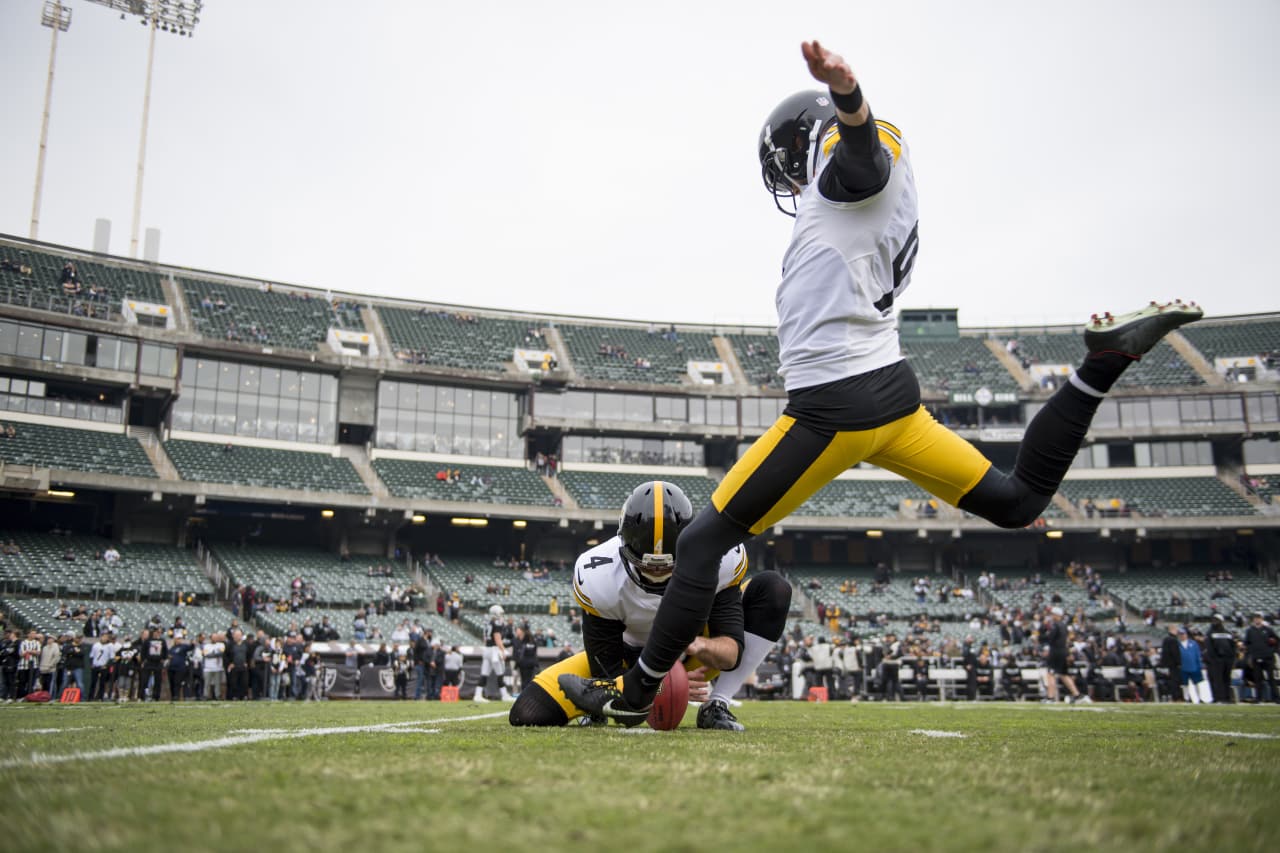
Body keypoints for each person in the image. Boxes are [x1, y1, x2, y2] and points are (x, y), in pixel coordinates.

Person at [558, 39, 1204, 721]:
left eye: (787, 169)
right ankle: (1099, 369)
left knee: (700, 541)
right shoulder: (879, 184)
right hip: (892, 396)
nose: (789, 186)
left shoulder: (851, 163)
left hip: (830, 406)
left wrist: (848, 95)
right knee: (1017, 500)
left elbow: (860, 164)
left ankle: (633, 696)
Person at [512, 481, 790, 730]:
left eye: (667, 566)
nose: (656, 574)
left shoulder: (721, 558)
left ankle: (717, 704)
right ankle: (594, 711)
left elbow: (731, 654)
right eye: (644, 565)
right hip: (627, 658)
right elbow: (607, 667)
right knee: (528, 712)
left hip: (694, 651)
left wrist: (697, 647)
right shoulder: (598, 573)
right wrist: (663, 685)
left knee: (774, 589)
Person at [1041, 608, 1087, 704]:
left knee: (1050, 674)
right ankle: (1077, 695)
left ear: (1057, 615)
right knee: (1063, 674)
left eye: (1053, 614)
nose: (1052, 616)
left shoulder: (1055, 626)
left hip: (1055, 652)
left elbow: (1049, 638)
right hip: (1063, 651)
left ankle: (1050, 697)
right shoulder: (1064, 626)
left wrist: (1044, 630)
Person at [473, 604, 513, 702]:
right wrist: (503, 650)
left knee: (484, 673)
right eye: (500, 613)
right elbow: (497, 639)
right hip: (494, 651)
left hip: (487, 649)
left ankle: (477, 695)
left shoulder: (487, 623)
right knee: (500, 673)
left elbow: (485, 639)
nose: (501, 615)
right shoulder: (496, 623)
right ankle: (504, 695)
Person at [1242, 612, 1279, 703]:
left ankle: (1276, 698)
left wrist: (1271, 651)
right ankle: (1259, 698)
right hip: (1256, 657)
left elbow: (1277, 641)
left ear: (1262, 619)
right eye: (1255, 618)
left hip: (1268, 657)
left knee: (1271, 678)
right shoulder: (1250, 630)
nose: (1257, 619)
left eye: (1259, 618)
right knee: (1258, 679)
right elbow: (1246, 643)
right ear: (1253, 619)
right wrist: (1252, 652)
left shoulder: (1268, 629)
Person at [1204, 615, 1237, 704]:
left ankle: (1227, 697)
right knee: (1217, 680)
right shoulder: (1210, 633)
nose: (1215, 622)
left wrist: (1232, 658)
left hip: (1227, 660)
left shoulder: (1228, 633)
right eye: (1214, 620)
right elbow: (1209, 648)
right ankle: (1218, 697)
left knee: (1226, 679)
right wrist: (1214, 659)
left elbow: (1233, 646)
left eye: (1217, 620)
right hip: (1216, 660)